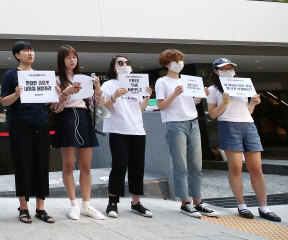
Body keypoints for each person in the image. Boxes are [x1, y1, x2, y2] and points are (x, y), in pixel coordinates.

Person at [207, 58, 281, 222]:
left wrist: (254, 103)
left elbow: (246, 111)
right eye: (224, 68)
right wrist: (225, 101)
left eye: (230, 67)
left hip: (248, 125)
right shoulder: (213, 89)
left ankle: (264, 207)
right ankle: (242, 205)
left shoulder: (242, 85)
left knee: (257, 168)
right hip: (228, 126)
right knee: (236, 168)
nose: (228, 70)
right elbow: (212, 114)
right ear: (216, 71)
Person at [155, 49, 218, 218]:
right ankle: (185, 202)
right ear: (167, 63)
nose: (179, 63)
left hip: (193, 122)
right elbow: (161, 106)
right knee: (180, 165)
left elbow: (189, 103)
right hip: (175, 124)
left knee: (196, 166)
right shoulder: (162, 82)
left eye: (180, 60)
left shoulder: (186, 80)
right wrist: (175, 94)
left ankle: (198, 201)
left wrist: (199, 98)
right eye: (175, 60)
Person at [0, 41, 55, 224]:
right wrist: (16, 93)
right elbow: (4, 102)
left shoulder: (39, 75)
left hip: (41, 123)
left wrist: (54, 94)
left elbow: (45, 102)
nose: (30, 53)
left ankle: (41, 208)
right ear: (17, 55)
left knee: (41, 164)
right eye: (26, 50)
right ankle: (23, 208)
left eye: (32, 50)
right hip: (20, 125)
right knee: (22, 164)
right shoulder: (11, 74)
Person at [50, 45, 105, 220]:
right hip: (66, 119)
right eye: (68, 58)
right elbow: (55, 108)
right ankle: (74, 204)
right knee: (68, 165)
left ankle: (86, 205)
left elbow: (98, 103)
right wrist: (65, 93)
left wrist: (97, 86)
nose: (72, 60)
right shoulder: (57, 80)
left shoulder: (84, 78)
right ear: (61, 60)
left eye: (74, 57)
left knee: (86, 165)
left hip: (83, 118)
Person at [101, 56, 153, 218]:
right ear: (114, 67)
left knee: (137, 166)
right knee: (119, 165)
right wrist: (115, 95)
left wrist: (147, 98)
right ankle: (112, 202)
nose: (125, 65)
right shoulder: (109, 85)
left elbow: (140, 109)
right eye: (120, 63)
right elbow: (103, 109)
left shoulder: (135, 83)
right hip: (118, 130)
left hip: (137, 130)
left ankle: (136, 203)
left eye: (128, 63)